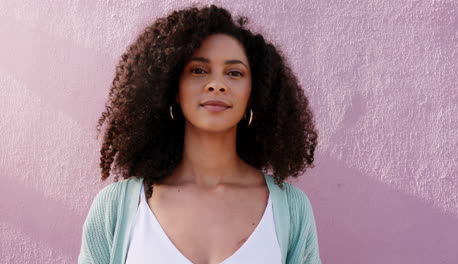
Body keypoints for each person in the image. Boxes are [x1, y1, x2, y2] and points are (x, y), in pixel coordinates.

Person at [78, 4, 321, 264]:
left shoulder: (291, 210)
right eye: (198, 70)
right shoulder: (115, 209)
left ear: (255, 93)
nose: (217, 85)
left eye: (234, 73)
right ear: (174, 88)